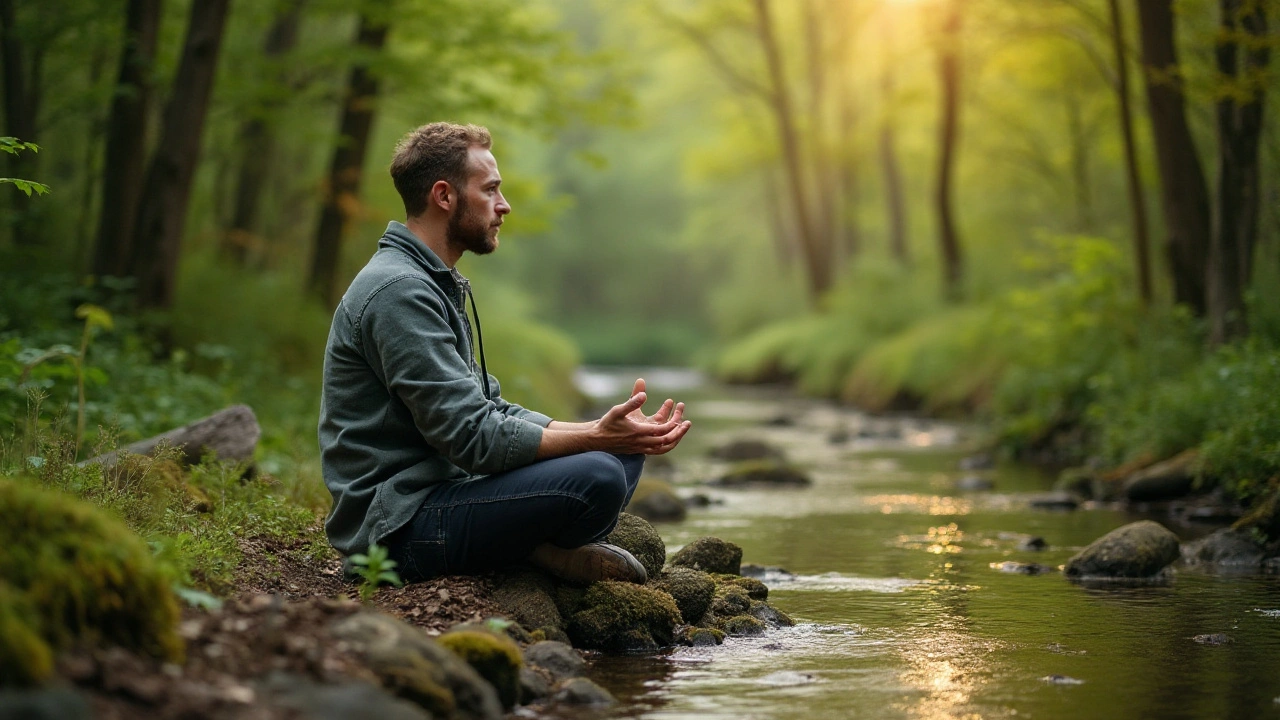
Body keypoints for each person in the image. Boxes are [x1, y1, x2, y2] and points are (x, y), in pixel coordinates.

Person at [318, 122, 692, 586]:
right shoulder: (400, 292)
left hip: (447, 493)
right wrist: (594, 437)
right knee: (599, 473)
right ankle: (534, 550)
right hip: (397, 528)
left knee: (623, 456)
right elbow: (472, 437)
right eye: (491, 189)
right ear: (444, 196)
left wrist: (610, 431)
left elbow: (489, 408)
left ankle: (534, 547)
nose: (504, 205)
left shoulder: (430, 280)